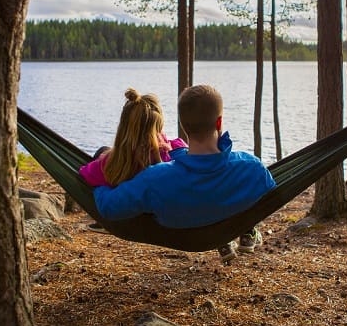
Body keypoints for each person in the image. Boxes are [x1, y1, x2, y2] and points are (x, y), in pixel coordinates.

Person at [94, 84, 276, 262]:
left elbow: (108, 207)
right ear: (219, 122)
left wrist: (99, 179)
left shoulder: (155, 180)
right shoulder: (252, 169)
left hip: (179, 232)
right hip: (226, 226)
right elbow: (270, 193)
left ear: (183, 124)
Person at [78, 88, 186, 231]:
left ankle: (101, 223)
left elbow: (84, 173)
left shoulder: (113, 164)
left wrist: (107, 159)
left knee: (101, 151)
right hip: (162, 217)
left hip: (128, 214)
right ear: (159, 123)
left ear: (124, 126)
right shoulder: (173, 154)